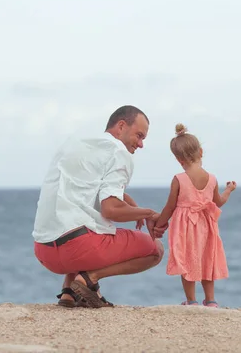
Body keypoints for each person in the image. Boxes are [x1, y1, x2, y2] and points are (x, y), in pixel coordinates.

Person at [32, 105, 166, 308]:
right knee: (155, 249)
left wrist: (131, 204)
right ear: (121, 126)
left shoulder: (75, 144)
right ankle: (89, 279)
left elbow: (90, 189)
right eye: (139, 136)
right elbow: (110, 210)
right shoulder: (119, 152)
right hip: (78, 249)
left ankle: (69, 291)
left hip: (44, 251)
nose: (140, 144)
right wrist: (148, 213)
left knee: (80, 217)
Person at [151, 123, 236, 307]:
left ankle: (191, 301)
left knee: (186, 260)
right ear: (201, 151)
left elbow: (170, 207)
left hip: (185, 226)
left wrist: (159, 225)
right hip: (206, 226)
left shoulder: (179, 179)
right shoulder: (212, 178)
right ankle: (211, 300)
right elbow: (218, 202)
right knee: (207, 259)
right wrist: (229, 189)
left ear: (179, 160)